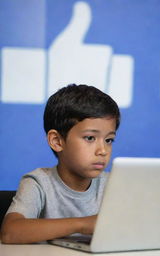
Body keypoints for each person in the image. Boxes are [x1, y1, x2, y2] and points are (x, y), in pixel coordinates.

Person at [0, 84, 120, 244]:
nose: (103, 150)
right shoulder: (38, 182)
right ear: (57, 141)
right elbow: (10, 232)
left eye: (109, 140)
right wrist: (83, 224)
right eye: (90, 138)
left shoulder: (115, 184)